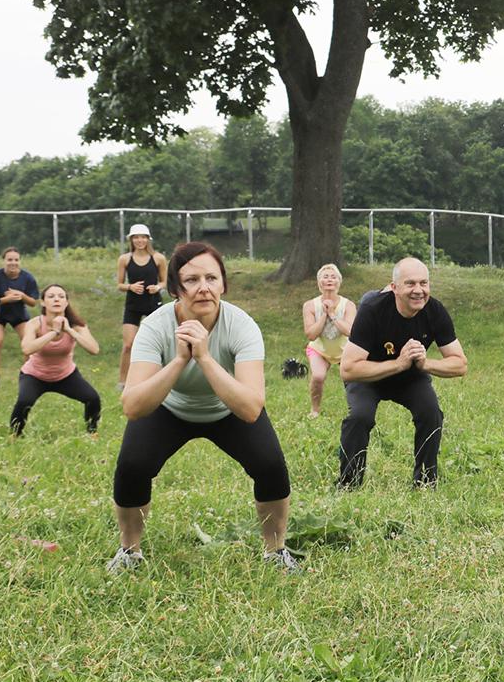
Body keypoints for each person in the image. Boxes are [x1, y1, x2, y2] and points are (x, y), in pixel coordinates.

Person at [111, 242, 297, 573]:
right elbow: (133, 406)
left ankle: (275, 551)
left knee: (270, 464)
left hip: (227, 408)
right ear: (174, 289)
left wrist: (205, 357)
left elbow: (252, 408)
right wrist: (181, 359)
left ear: (224, 284)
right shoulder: (155, 326)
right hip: (168, 407)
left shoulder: (242, 326)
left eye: (212, 278)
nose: (204, 288)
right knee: (132, 466)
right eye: (192, 280)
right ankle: (129, 551)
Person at [337, 258, 468, 489]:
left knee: (431, 413)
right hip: (368, 376)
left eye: (424, 283)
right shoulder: (372, 310)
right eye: (410, 284)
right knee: (360, 417)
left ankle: (425, 483)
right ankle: (349, 484)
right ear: (394, 287)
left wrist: (425, 364)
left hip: (410, 377)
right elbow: (348, 369)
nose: (418, 291)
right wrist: (398, 363)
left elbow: (460, 364)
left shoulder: (435, 311)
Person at [10, 284, 102, 437]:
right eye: (51, 297)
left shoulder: (76, 324)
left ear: (66, 302)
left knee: (92, 398)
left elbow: (94, 349)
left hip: (65, 375)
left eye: (61, 296)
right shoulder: (35, 324)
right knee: (23, 402)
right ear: (43, 302)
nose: (56, 300)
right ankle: (15, 436)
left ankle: (92, 433)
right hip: (35, 375)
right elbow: (27, 349)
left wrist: (69, 331)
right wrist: (54, 332)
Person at [302, 263, 357, 418]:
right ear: (320, 282)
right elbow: (311, 335)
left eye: (333, 277)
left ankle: (355, 410)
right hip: (319, 349)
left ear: (339, 282)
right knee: (318, 376)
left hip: (344, 349)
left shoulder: (348, 305)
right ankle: (315, 410)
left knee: (352, 378)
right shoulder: (310, 305)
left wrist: (332, 314)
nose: (329, 280)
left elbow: (349, 331)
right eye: (325, 277)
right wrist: (324, 315)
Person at [116, 224, 168, 389]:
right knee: (128, 345)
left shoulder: (158, 258)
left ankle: (163, 377)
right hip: (133, 304)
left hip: (153, 303)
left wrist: (157, 287)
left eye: (143, 237)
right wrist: (130, 287)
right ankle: (123, 381)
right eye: (136, 237)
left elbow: (164, 281)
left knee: (161, 343)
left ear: (148, 239)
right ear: (131, 240)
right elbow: (119, 284)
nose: (140, 240)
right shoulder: (125, 259)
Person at [0, 248, 40, 388]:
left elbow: (32, 302)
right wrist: (6, 299)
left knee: (29, 344)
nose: (13, 263)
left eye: (16, 260)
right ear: (4, 261)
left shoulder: (28, 278)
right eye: (9, 260)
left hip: (19, 315)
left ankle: (26, 379)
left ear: (20, 261)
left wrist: (22, 295)